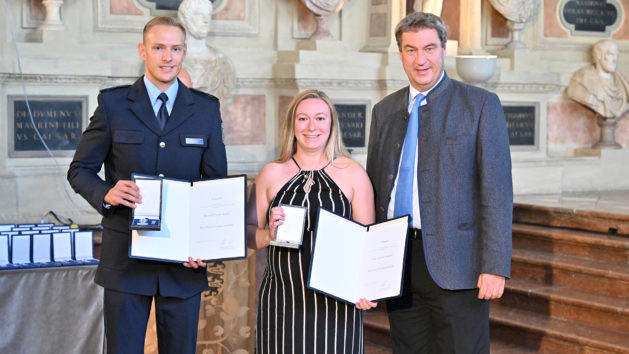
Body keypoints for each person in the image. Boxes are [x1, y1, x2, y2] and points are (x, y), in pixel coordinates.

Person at [67, 16, 227, 354]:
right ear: (143, 51)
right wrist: (106, 195)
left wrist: (206, 245)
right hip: (125, 260)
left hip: (183, 264)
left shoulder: (205, 109)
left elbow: (215, 189)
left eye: (174, 49)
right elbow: (80, 170)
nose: (167, 57)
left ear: (184, 53)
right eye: (158, 48)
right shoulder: (113, 105)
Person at [366, 12, 513, 353]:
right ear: (400, 54)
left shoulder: (479, 105)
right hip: (399, 263)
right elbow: (375, 194)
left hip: (458, 264)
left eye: (429, 48)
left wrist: (494, 266)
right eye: (411, 50)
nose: (421, 60)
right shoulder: (384, 112)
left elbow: (497, 193)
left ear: (444, 49)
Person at [247, 89, 376, 353]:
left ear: (331, 124)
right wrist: (268, 234)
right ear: (292, 125)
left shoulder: (353, 174)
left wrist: (367, 288)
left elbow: (368, 242)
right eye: (303, 118)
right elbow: (248, 235)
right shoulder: (271, 173)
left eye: (320, 118)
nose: (311, 127)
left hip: (337, 301)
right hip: (283, 299)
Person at [177, 0, 235, 103]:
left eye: (208, 15)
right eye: (199, 14)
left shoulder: (222, 62)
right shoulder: (169, 59)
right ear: (185, 18)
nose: (206, 20)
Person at [567, 39, 629, 119]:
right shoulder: (582, 79)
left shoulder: (623, 81)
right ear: (599, 55)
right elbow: (574, 93)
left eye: (616, 55)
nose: (615, 59)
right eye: (611, 54)